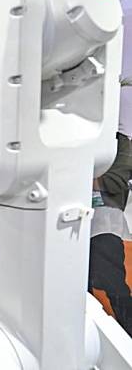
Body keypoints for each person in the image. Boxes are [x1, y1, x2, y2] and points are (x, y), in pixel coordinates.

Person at [88, 85, 132, 336]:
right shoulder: (77, 141)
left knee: (114, 286)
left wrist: (74, 177)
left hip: (105, 223)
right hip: (70, 224)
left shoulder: (120, 143)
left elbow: (116, 182)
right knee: (78, 286)